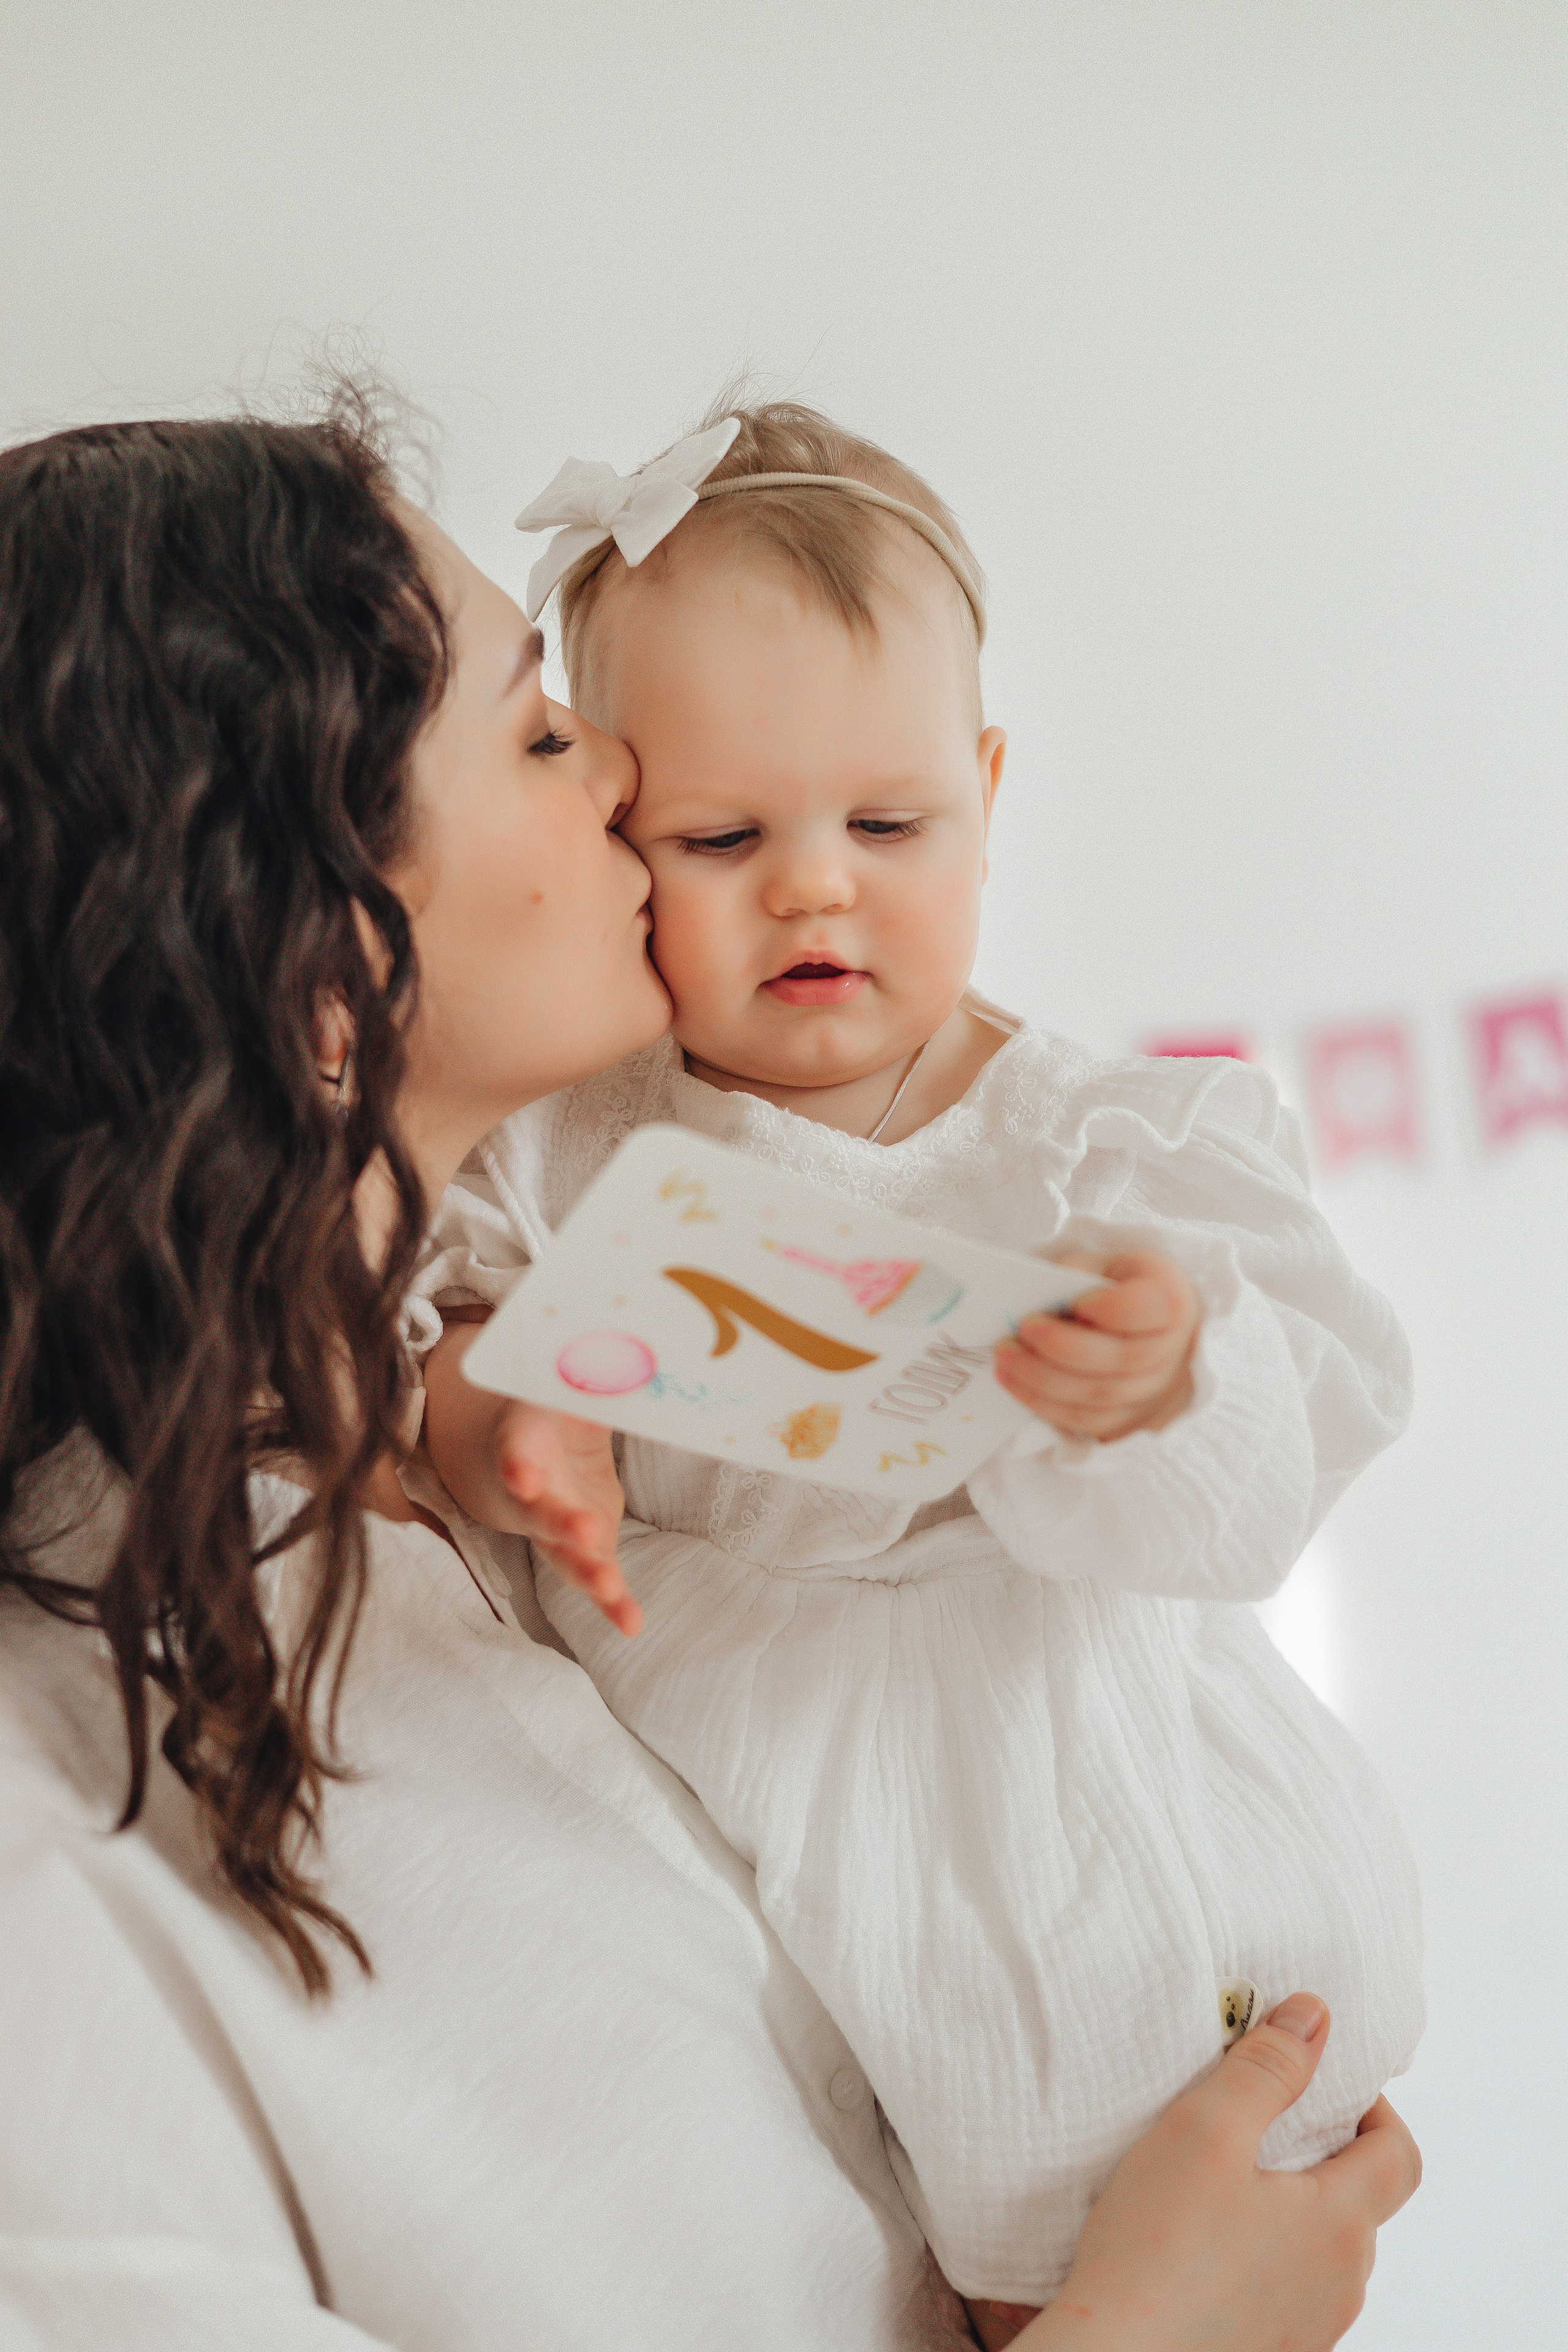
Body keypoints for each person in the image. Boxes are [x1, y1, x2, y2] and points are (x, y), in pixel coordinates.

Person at [0, 393, 1420, 2352]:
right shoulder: (71, 1804)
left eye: (886, 819)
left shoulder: (1060, 1155)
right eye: (541, 731)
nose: (629, 776)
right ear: (324, 966)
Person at [418, 401, 1425, 2343]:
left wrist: (1166, 1381)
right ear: (618, 840)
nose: (815, 888)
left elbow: (1268, 1486)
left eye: (886, 827)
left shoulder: (1114, 1148)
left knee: (1184, 2131)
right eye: (723, 839)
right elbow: (438, 1352)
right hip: (798, 1824)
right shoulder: (564, 1148)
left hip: (1106, 1785)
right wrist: (502, 1417)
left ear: (985, 788)